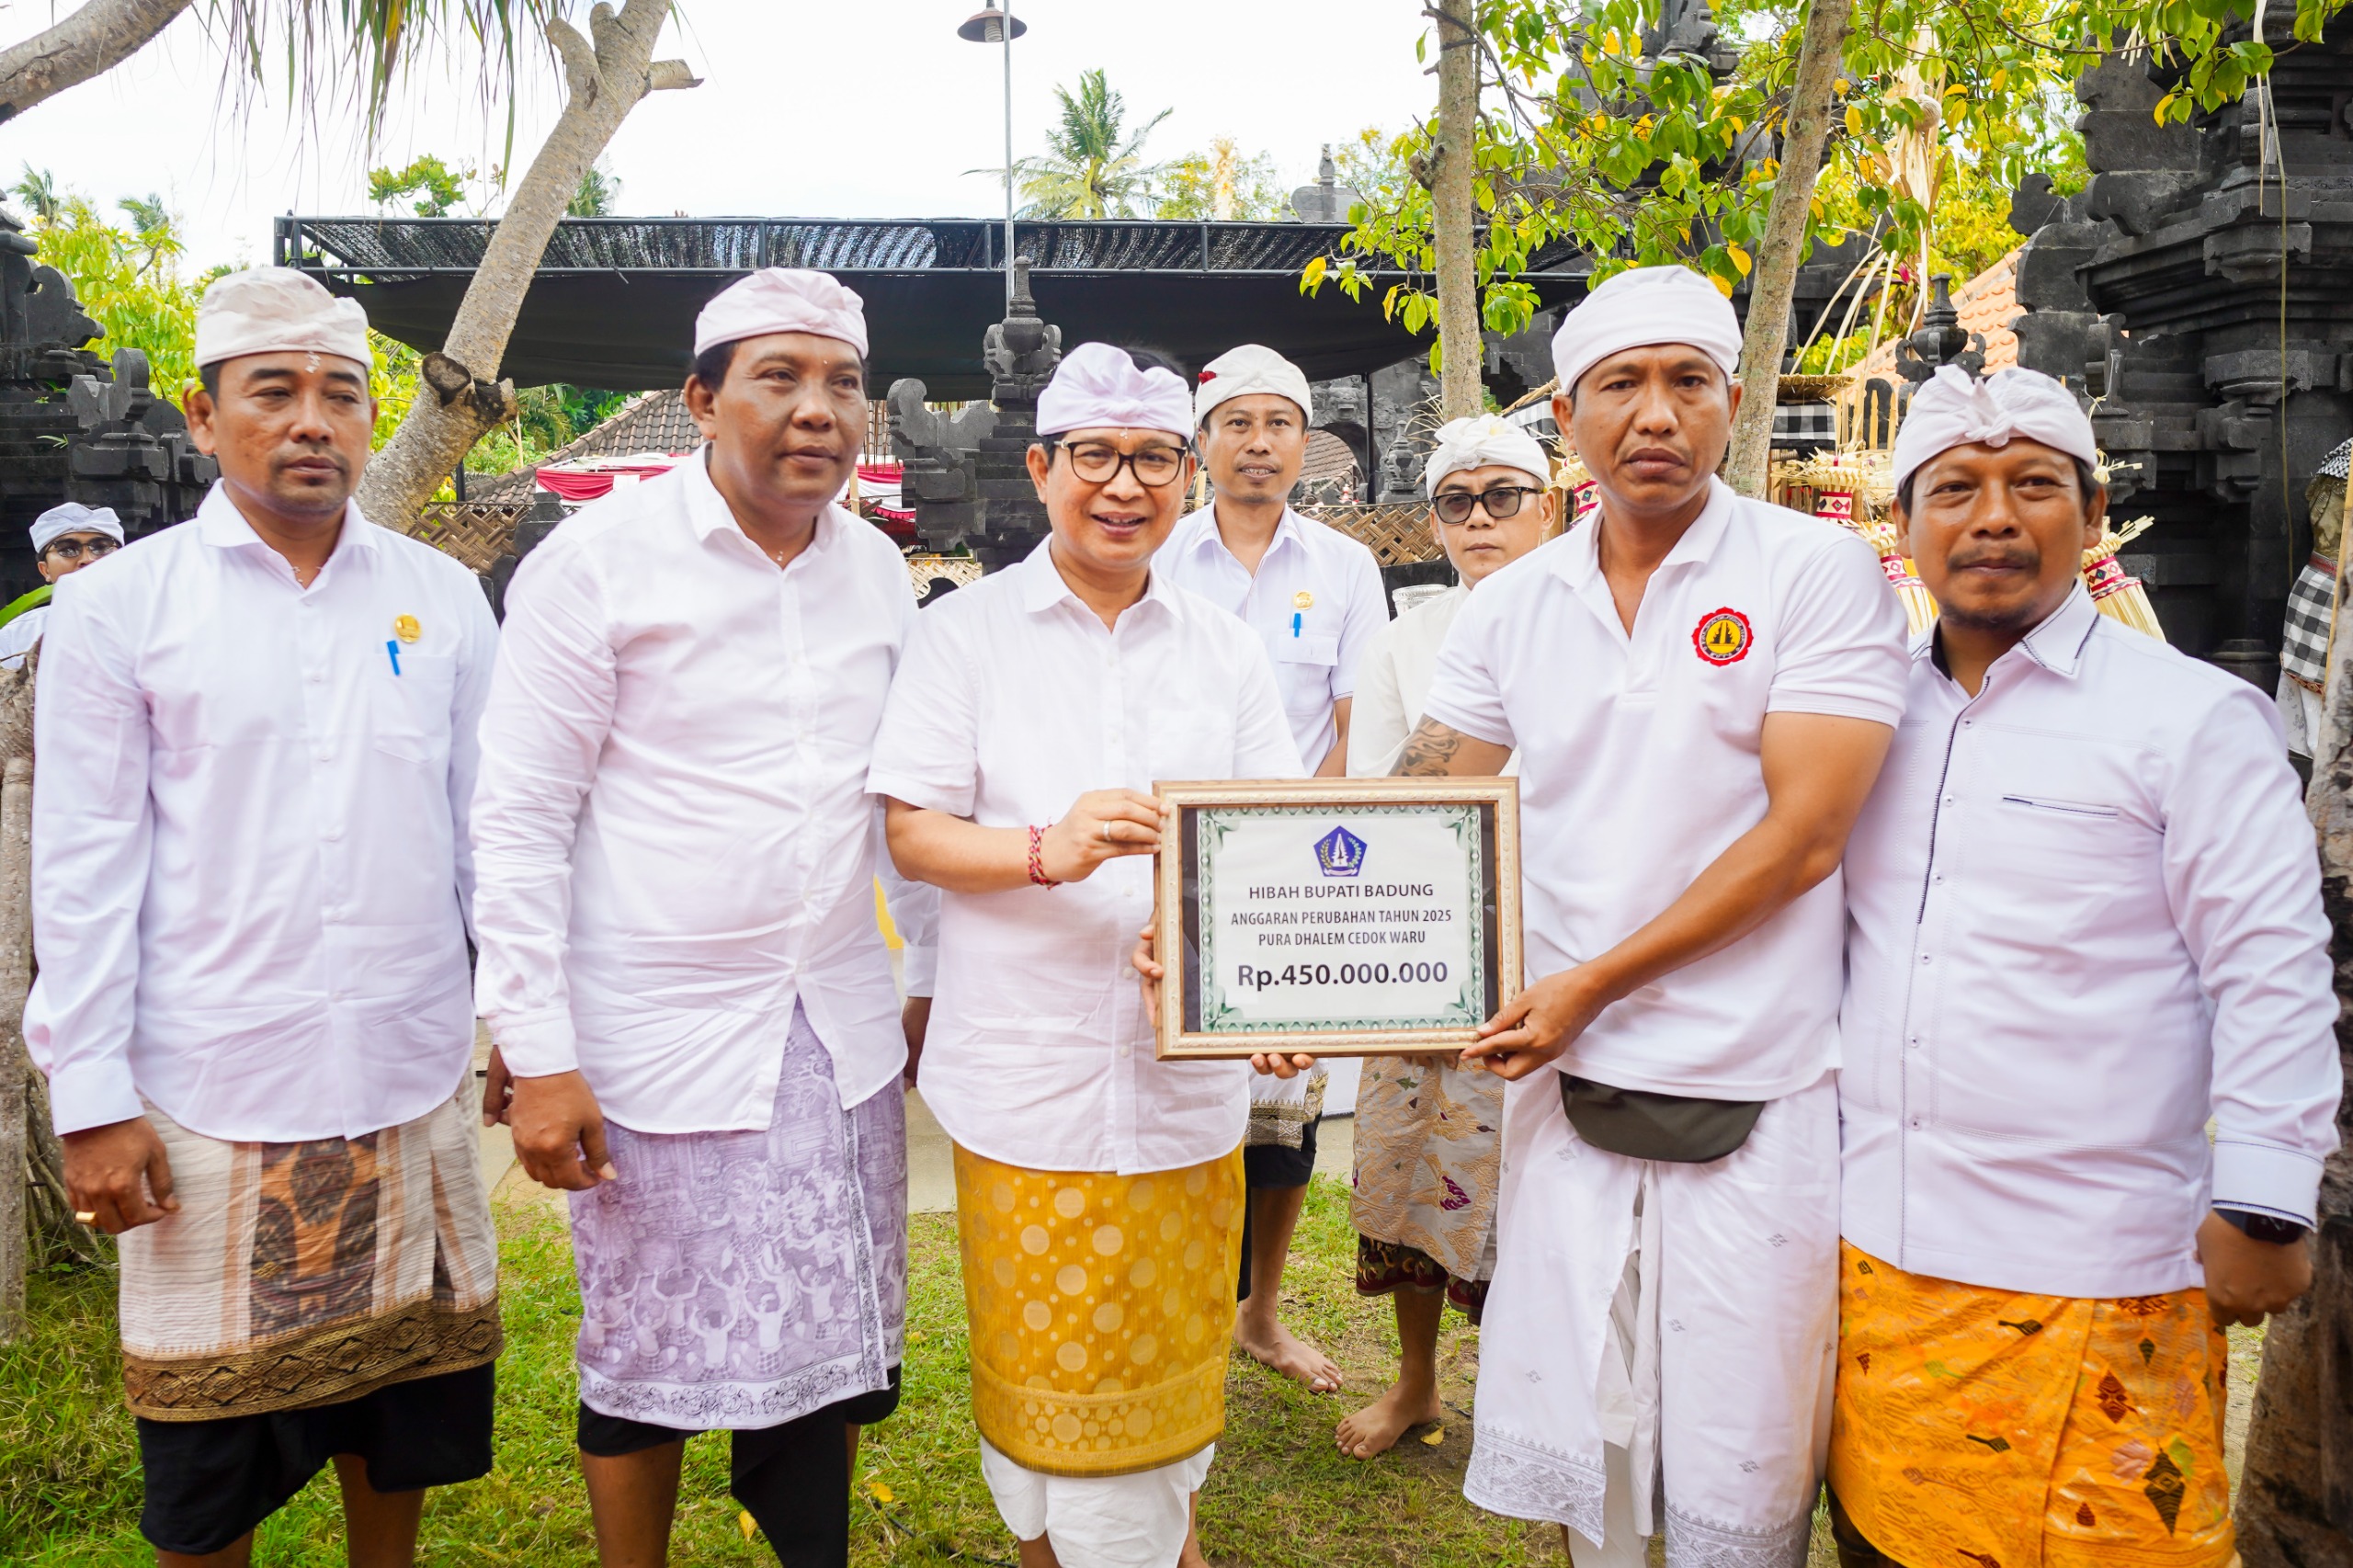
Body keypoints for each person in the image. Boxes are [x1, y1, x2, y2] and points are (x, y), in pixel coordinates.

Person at [1392, 265, 1912, 1563]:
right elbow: (1420, 807)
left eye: (1689, 381)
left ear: (1734, 402)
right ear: (1569, 415)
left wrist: (1593, 981)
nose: (1657, 414)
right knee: (1594, 1444)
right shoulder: (1512, 604)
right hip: (1567, 1077)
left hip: (1762, 1076)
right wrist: (1274, 958)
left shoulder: (1817, 572)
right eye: (1622, 384)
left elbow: (1803, 840)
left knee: (1737, 1454)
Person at [28, 267, 503, 1568]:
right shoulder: (117, 605)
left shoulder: (441, 597)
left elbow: (488, 835)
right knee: (205, 1454)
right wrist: (93, 1096)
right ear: (201, 414)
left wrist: (518, 1015)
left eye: (340, 394)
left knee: (395, 1418)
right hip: (203, 1085)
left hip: (402, 1075)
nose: (311, 421)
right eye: (273, 391)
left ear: (370, 415)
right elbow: (82, 860)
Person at [1828, 366, 2341, 1568]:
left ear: (2094, 513)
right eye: (1953, 488)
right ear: (1903, 527)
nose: (1992, 516)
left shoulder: (2191, 718)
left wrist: (2265, 1197)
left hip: (2101, 1268)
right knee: (1883, 1545)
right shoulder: (1862, 719)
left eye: (2032, 486)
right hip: (1879, 1267)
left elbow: (2271, 967)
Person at [469, 268, 929, 1568]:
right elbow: (518, 820)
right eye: (779, 377)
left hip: (835, 1028)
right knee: (645, 1352)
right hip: (655, 1036)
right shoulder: (595, 567)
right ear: (700, 400)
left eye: (842, 381)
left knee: (834, 1340)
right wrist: (540, 1049)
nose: (818, 409)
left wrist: (929, 978)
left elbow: (908, 796)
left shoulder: (879, 576)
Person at [870, 342, 1303, 1568]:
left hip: (1183, 1091)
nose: (1127, 485)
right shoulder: (968, 636)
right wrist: (1046, 848)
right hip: (1030, 1087)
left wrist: (1241, 959)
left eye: (1156, 458)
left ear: (1188, 470)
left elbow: (1262, 837)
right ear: (1041, 467)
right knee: (1045, 1395)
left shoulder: (1224, 647)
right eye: (1098, 458)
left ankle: (1170, 1545)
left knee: (1167, 1383)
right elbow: (912, 831)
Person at [1155, 343, 1383, 1394]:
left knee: (1286, 1103)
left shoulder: (1342, 567)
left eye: (1277, 422)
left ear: (1305, 439)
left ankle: (1258, 1311)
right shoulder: (1157, 551)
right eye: (1236, 422)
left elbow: (1357, 720)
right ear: (1202, 442)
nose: (1257, 442)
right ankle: (1176, 1299)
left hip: (1299, 872)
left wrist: (1296, 837)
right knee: (1172, 1089)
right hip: (1169, 865)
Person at [1336, 414, 1556, 1460]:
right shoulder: (1404, 639)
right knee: (1411, 1168)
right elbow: (1377, 800)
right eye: (1458, 502)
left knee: (1551, 1185)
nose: (1480, 519)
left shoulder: (1601, 619)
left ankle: (1532, 1398)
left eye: (1503, 495)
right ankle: (1418, 1381)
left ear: (1548, 505)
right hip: (1432, 943)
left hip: (1569, 946)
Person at [0, 501, 125, 669]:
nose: (87, 559)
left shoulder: (154, 622)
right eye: (68, 550)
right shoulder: (15, 636)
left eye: (101, 547)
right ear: (45, 570)